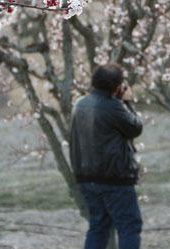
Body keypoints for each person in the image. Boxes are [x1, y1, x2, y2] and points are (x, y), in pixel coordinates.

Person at [70, 63, 144, 249]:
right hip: (114, 179)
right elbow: (135, 128)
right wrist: (127, 101)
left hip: (86, 178)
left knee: (98, 227)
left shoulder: (79, 104)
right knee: (129, 226)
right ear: (117, 86)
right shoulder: (113, 107)